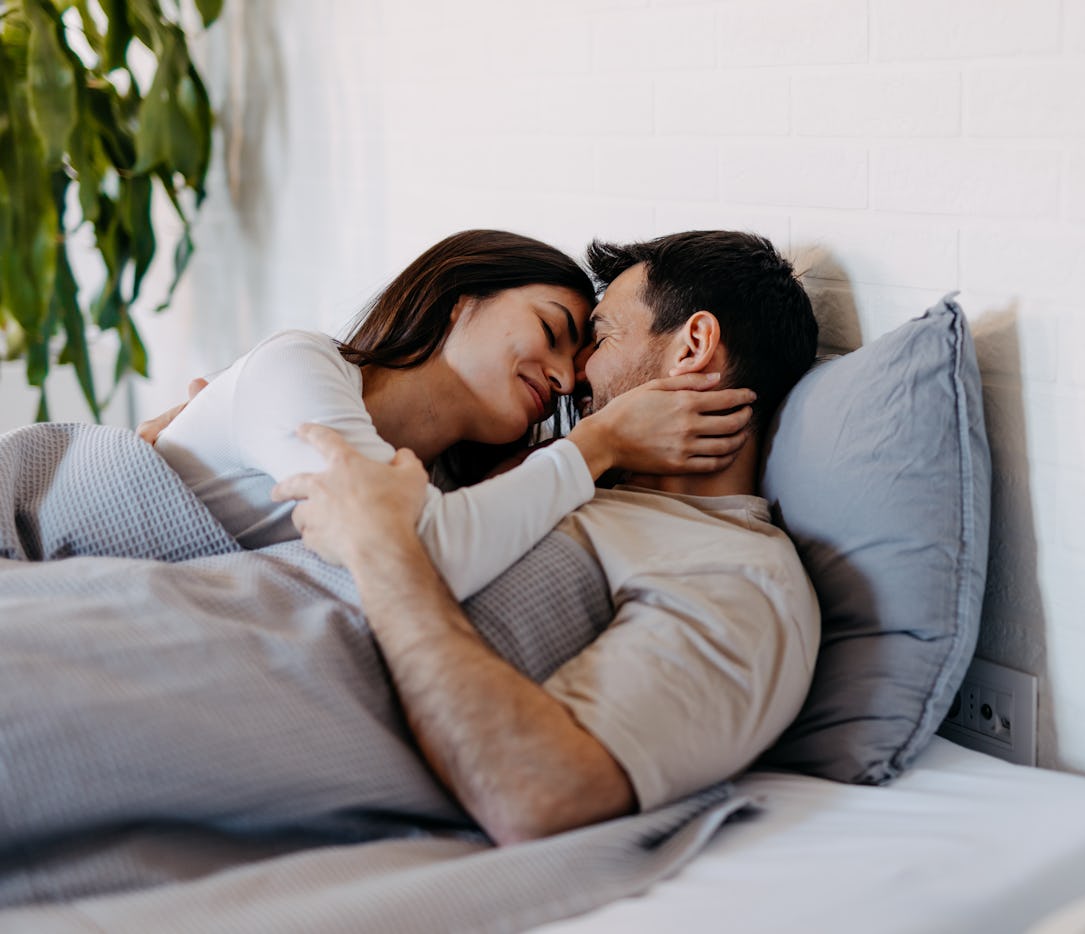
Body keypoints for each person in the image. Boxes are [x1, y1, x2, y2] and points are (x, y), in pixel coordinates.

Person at [273, 230, 823, 845]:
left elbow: (541, 794)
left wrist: (382, 549)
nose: (574, 375)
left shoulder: (736, 573)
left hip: (253, 676)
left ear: (692, 346)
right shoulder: (561, 474)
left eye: (603, 336)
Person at [149, 229, 755, 601]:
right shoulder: (298, 367)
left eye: (576, 360)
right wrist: (598, 443)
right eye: (552, 330)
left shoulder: (444, 486)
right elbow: (409, 559)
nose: (568, 377)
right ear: (457, 302)